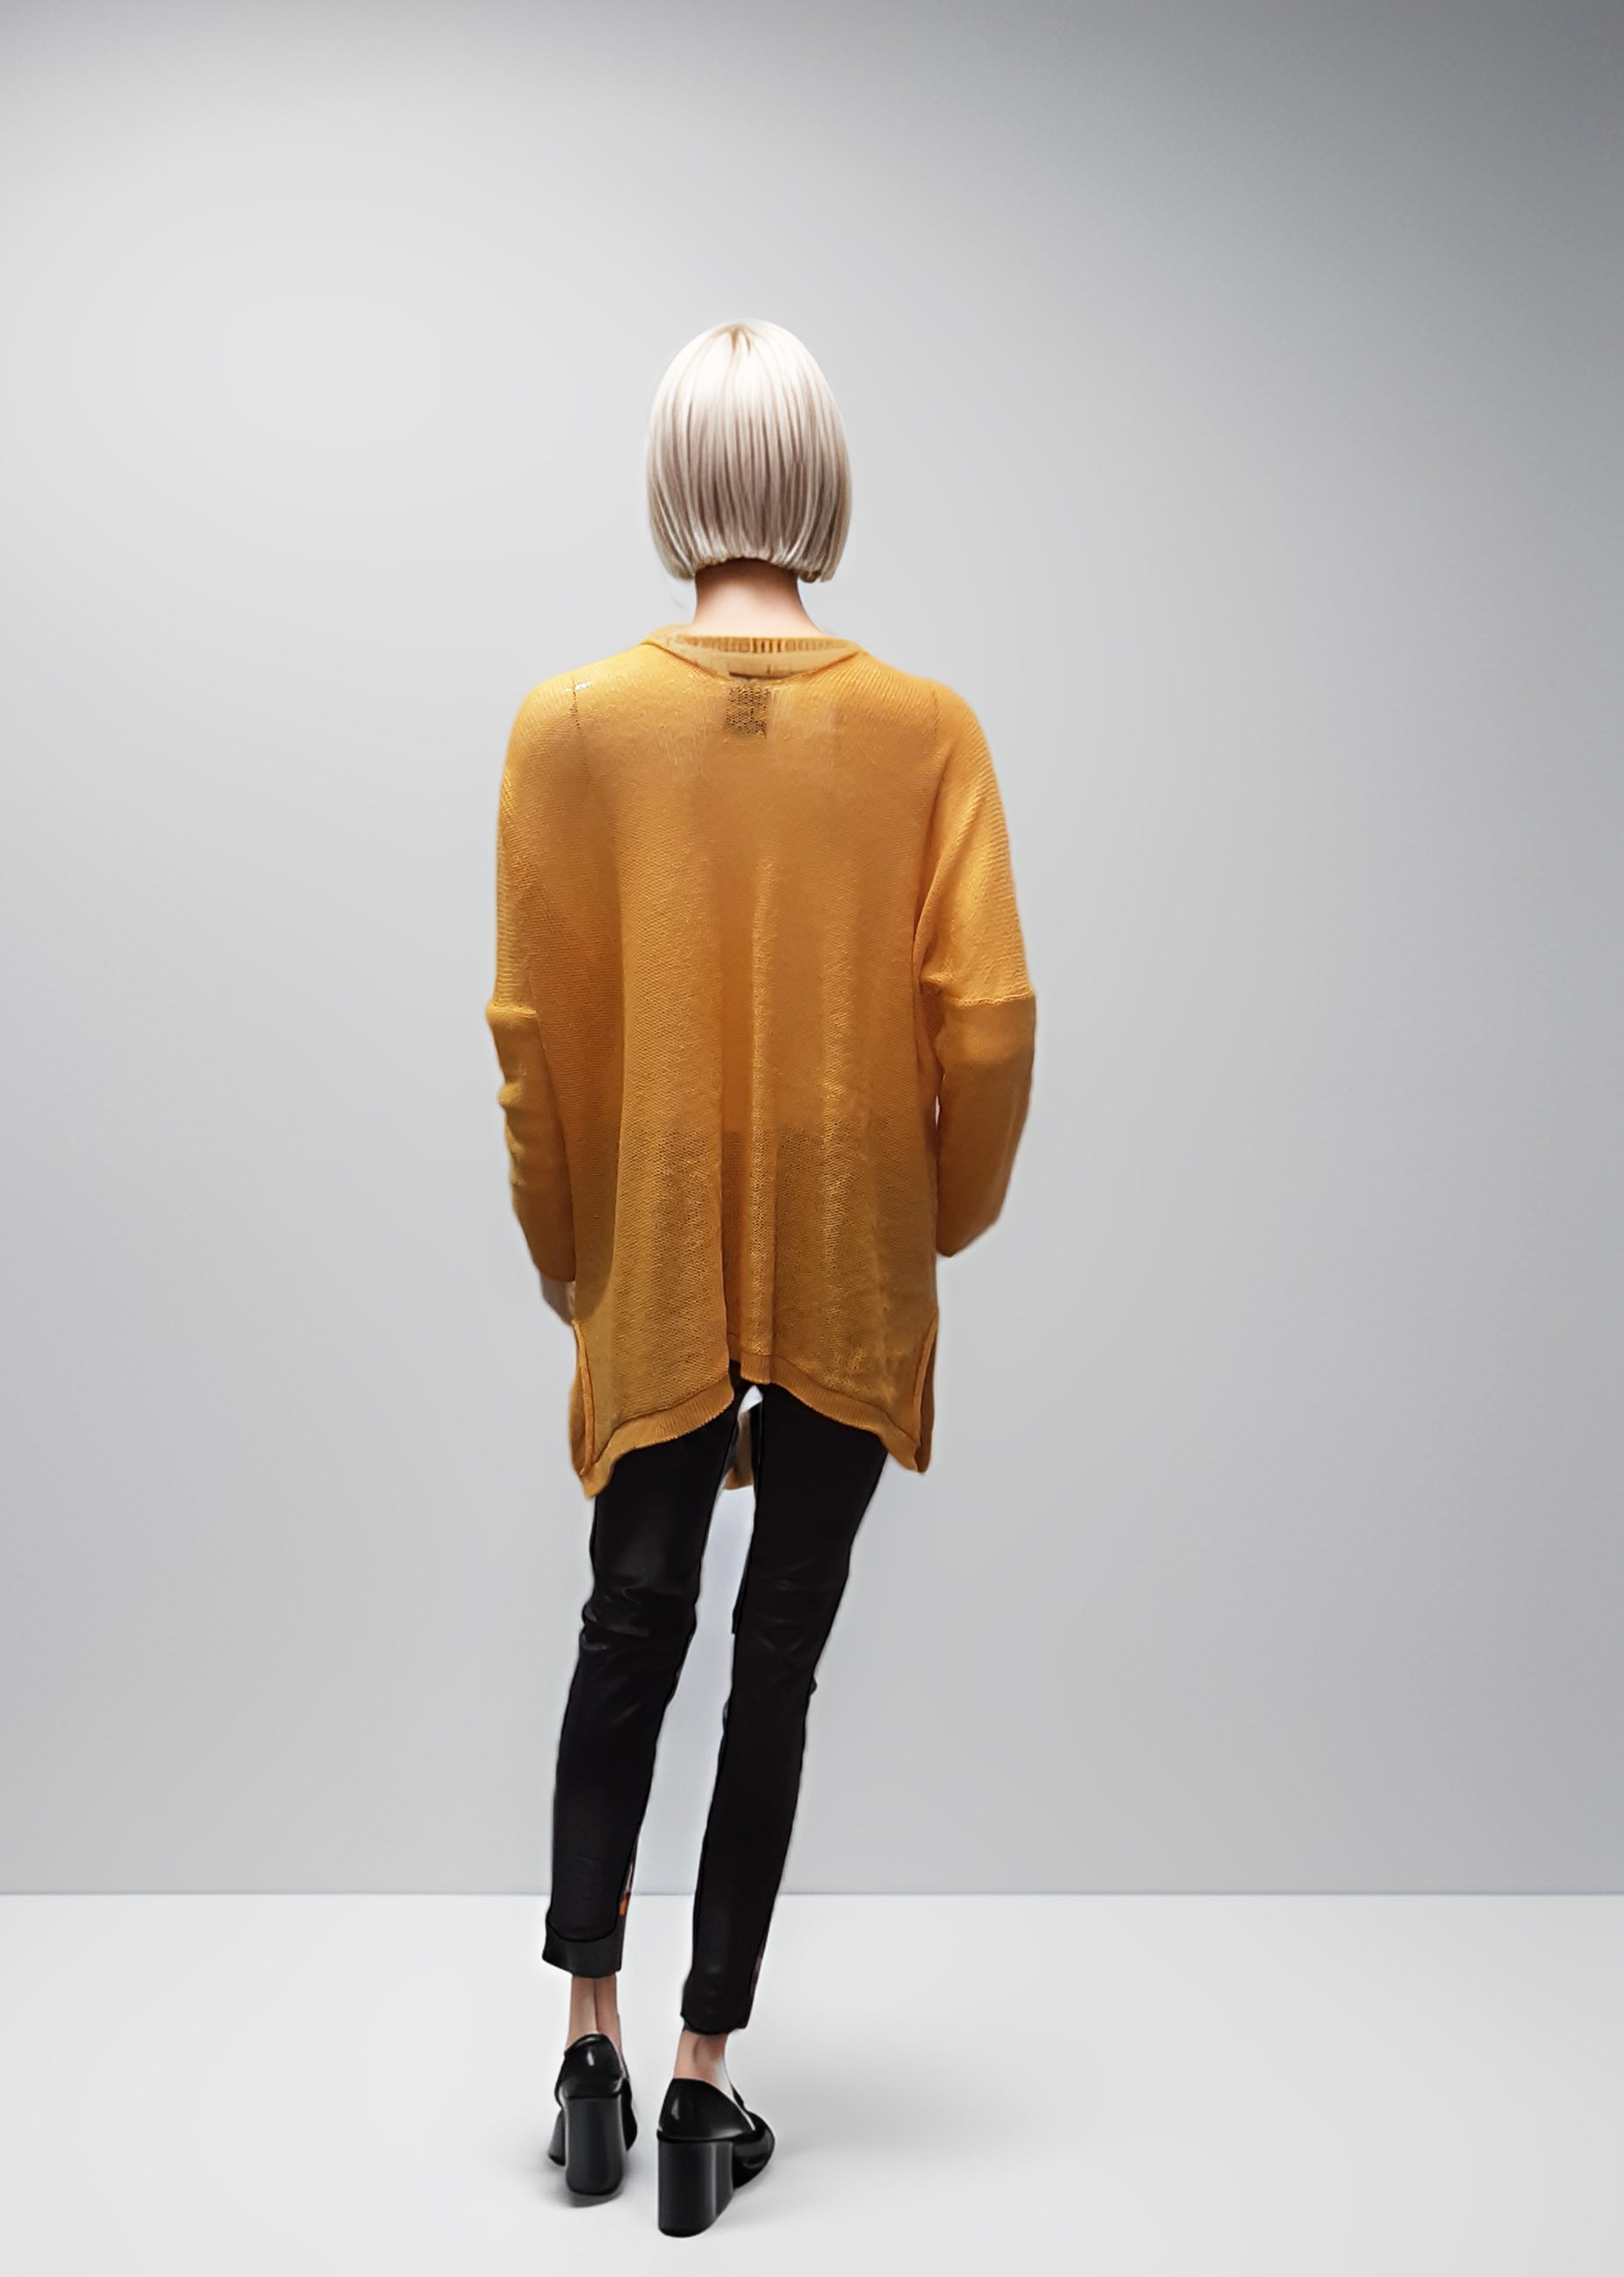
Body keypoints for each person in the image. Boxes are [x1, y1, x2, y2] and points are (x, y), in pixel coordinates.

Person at [484, 318, 1037, 2234]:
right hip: (844, 1227)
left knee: (624, 1623)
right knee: (774, 1658)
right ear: (819, 479)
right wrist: (934, 1217)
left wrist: (574, 1256)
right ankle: (705, 2081)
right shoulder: (925, 729)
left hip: (651, 1229)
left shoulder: (567, 724)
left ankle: (586, 2044)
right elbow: (990, 1019)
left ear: (671, 480)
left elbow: (534, 1034)